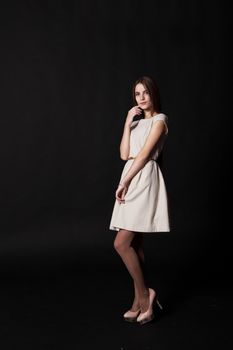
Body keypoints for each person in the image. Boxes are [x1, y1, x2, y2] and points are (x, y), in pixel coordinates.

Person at [109, 76, 170, 325]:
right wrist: (127, 122)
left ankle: (146, 296)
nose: (141, 98)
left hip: (143, 178)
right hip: (131, 174)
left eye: (145, 93)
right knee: (135, 245)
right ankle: (137, 301)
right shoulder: (135, 124)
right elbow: (125, 154)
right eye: (137, 94)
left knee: (121, 243)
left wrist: (125, 182)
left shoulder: (160, 120)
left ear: (153, 94)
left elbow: (144, 156)